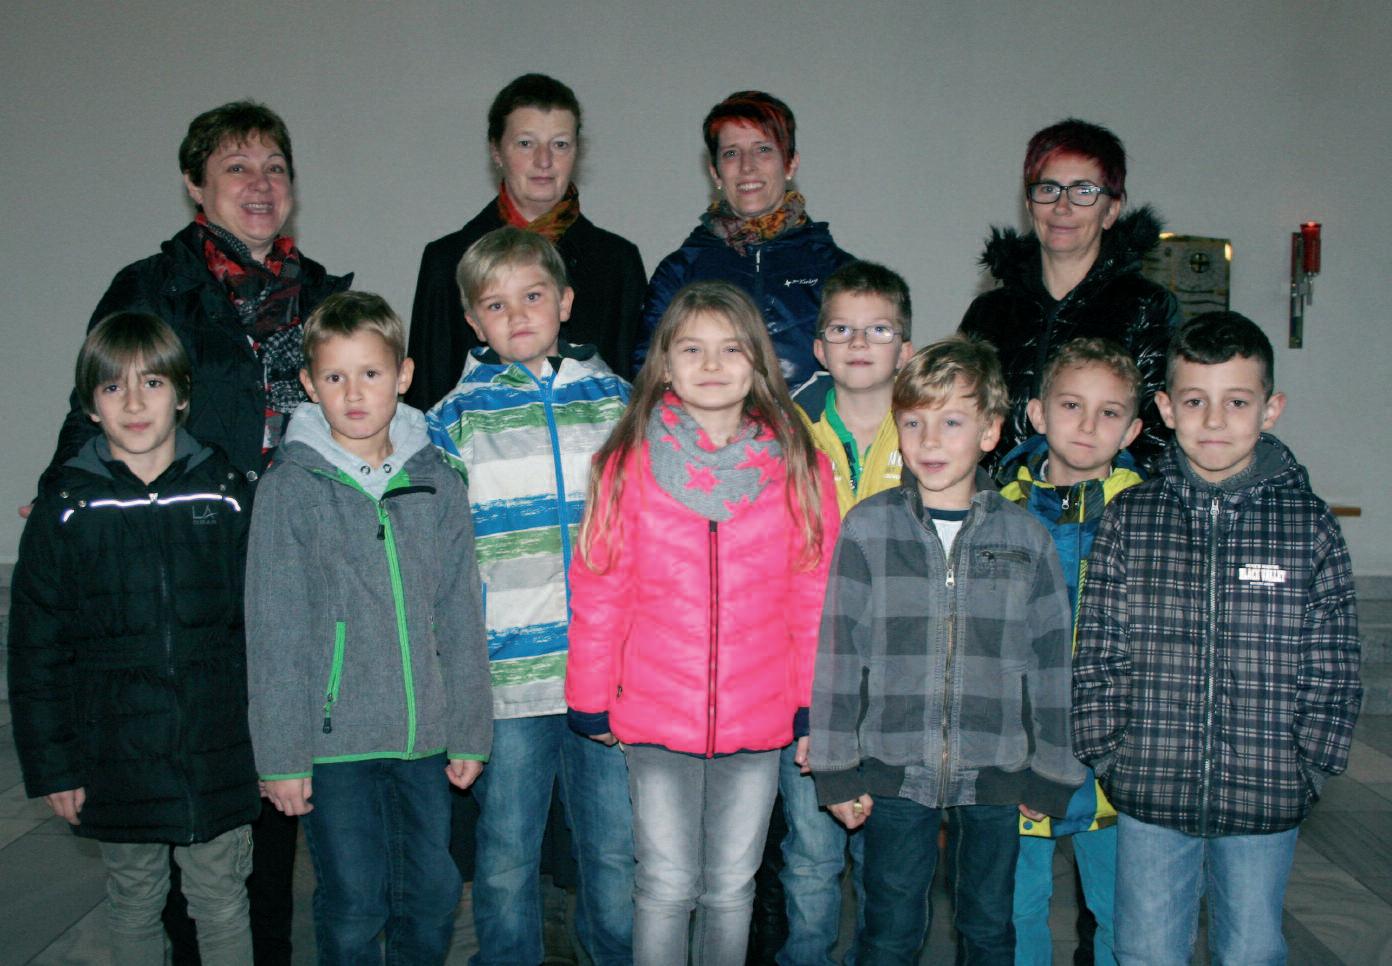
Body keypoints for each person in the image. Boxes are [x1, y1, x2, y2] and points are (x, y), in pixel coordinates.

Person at [37, 101, 352, 962]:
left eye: (275, 168)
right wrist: (61, 497)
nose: (261, 185)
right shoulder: (149, 288)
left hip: (297, 562)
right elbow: (93, 401)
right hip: (190, 561)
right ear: (195, 185)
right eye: (237, 168)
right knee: (182, 794)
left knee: (273, 783)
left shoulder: (323, 295)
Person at [1071, 311, 1362, 965]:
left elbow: (1335, 662)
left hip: (1268, 790)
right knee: (1146, 948)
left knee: (1251, 949)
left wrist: (1309, 767)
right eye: (1195, 401)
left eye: (1237, 402)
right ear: (1166, 408)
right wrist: (1110, 753)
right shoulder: (1131, 519)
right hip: (1149, 787)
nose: (1214, 420)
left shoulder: (1308, 526)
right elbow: (1099, 652)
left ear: (1270, 408)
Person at [566, 280, 840, 965]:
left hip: (758, 718)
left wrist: (813, 705)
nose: (712, 364)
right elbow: (600, 590)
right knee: (664, 884)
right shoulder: (625, 465)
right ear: (664, 363)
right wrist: (590, 697)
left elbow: (813, 599)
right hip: (655, 714)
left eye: (731, 349)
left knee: (730, 888)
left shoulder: (799, 466)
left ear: (758, 364)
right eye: (692, 349)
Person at [810, 336, 1085, 964]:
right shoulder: (868, 528)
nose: (930, 440)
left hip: (996, 773)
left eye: (952, 422)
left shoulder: (1026, 537)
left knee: (988, 928)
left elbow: (1050, 664)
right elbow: (839, 656)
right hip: (893, 771)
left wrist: (1052, 771)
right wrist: (837, 768)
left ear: (990, 431)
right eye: (914, 423)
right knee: (887, 931)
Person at [245, 291, 492, 964]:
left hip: (424, 740)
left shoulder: (437, 480)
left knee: (433, 894)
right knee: (355, 901)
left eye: (371, 373)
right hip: (335, 744)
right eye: (334, 376)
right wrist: (281, 757)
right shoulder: (290, 488)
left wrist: (470, 729)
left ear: (403, 375)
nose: (354, 393)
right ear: (309, 385)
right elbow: (274, 630)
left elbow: (459, 614)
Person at [9, 312, 260, 965]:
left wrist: (272, 740)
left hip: (216, 746)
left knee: (222, 900)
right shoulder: (68, 508)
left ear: (181, 394)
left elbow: (261, 628)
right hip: (113, 754)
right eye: (112, 387)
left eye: (151, 383)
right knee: (134, 899)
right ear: (91, 406)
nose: (134, 403)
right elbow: (35, 650)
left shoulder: (227, 493)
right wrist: (54, 767)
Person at [427, 227, 634, 965]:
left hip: (606, 678)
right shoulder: (453, 420)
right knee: (506, 851)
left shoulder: (619, 405)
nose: (517, 315)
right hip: (506, 680)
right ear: (473, 321)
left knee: (613, 850)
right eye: (496, 304)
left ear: (566, 302)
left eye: (533, 295)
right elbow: (441, 561)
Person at [995, 338, 1147, 966]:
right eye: (1071, 405)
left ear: (1133, 429)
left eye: (1109, 412)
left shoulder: (1149, 515)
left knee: (1122, 913)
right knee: (1015, 907)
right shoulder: (997, 511)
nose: (1088, 425)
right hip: (1017, 748)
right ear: (1037, 413)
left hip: (1117, 753)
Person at [779, 260, 915, 962]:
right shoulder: (786, 434)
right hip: (808, 679)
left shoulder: (929, 438)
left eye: (879, 330)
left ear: (906, 350)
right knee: (810, 861)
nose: (859, 343)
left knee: (888, 872)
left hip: (901, 687)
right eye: (842, 330)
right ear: (819, 348)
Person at [407, 72, 646, 406]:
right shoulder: (446, 260)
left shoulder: (618, 263)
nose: (544, 161)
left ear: (577, 151)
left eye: (560, 144)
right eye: (526, 143)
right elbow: (427, 398)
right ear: (496, 151)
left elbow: (635, 399)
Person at [959, 118, 1179, 473]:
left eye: (1083, 191)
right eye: (1048, 189)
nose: (1062, 207)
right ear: (1029, 203)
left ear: (1111, 209)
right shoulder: (989, 313)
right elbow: (958, 418)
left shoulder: (1146, 308)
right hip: (995, 502)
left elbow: (1158, 437)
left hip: (1106, 503)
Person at [636, 91, 853, 389]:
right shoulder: (678, 273)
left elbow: (865, 379)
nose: (747, 166)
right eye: (731, 153)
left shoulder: (839, 272)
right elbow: (648, 377)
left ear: (790, 164)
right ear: (715, 173)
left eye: (763, 149)